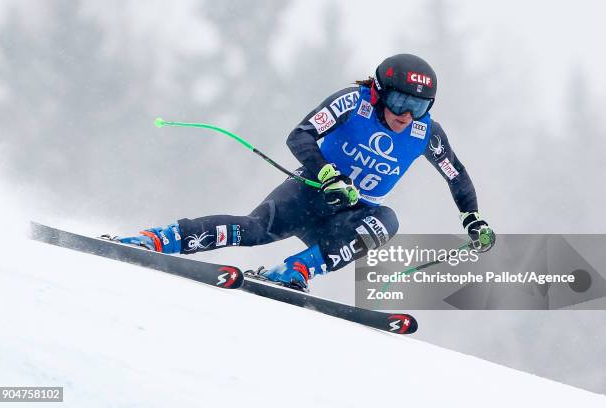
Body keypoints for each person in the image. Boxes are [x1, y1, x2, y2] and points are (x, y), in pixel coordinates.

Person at [116, 54, 495, 290]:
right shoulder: (354, 102)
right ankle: (159, 238)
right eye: (400, 101)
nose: (407, 115)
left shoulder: (424, 132)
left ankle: (296, 270)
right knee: (253, 231)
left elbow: (456, 174)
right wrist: (328, 174)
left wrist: (472, 219)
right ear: (380, 92)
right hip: (311, 193)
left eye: (420, 105)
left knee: (386, 220)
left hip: (348, 218)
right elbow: (300, 135)